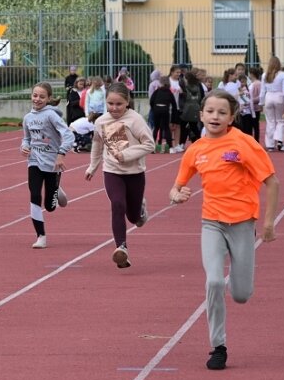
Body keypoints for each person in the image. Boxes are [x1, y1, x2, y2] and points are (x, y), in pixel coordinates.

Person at [169, 89, 278, 371]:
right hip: (212, 223)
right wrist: (176, 195)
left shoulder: (244, 143)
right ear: (201, 114)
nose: (215, 117)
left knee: (241, 294)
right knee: (215, 282)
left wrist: (268, 222)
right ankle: (218, 347)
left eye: (222, 112)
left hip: (243, 224)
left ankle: (239, 278)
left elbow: (272, 182)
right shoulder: (196, 150)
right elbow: (177, 186)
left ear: (232, 117)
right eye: (210, 111)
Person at [85, 82, 154, 267]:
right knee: (117, 204)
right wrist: (93, 166)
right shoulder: (101, 122)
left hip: (135, 173)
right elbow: (97, 144)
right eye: (110, 104)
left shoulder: (135, 120)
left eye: (119, 104)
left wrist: (126, 155)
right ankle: (121, 248)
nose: (114, 108)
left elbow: (150, 145)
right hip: (112, 171)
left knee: (133, 218)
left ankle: (140, 209)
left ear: (127, 102)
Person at [20, 82, 74, 249]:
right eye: (35, 95)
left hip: (52, 163)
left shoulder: (52, 116)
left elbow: (69, 135)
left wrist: (61, 154)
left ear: (49, 99)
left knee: (50, 207)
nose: (37, 99)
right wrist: (24, 147)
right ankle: (41, 236)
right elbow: (26, 138)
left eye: (42, 97)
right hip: (34, 161)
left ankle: (57, 190)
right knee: (35, 196)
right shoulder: (27, 118)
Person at [259, 56, 284, 151]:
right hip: (279, 96)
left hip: (268, 97)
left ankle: (270, 144)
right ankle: (279, 140)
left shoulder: (264, 75)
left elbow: (262, 91)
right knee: (280, 120)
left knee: (270, 121)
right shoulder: (283, 75)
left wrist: (261, 102)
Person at [149, 76, 177, 154]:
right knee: (166, 128)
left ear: (160, 83)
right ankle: (171, 147)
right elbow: (174, 104)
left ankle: (152, 148)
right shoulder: (169, 92)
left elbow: (151, 101)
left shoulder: (157, 91)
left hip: (156, 109)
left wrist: (154, 108)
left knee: (156, 128)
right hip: (165, 110)